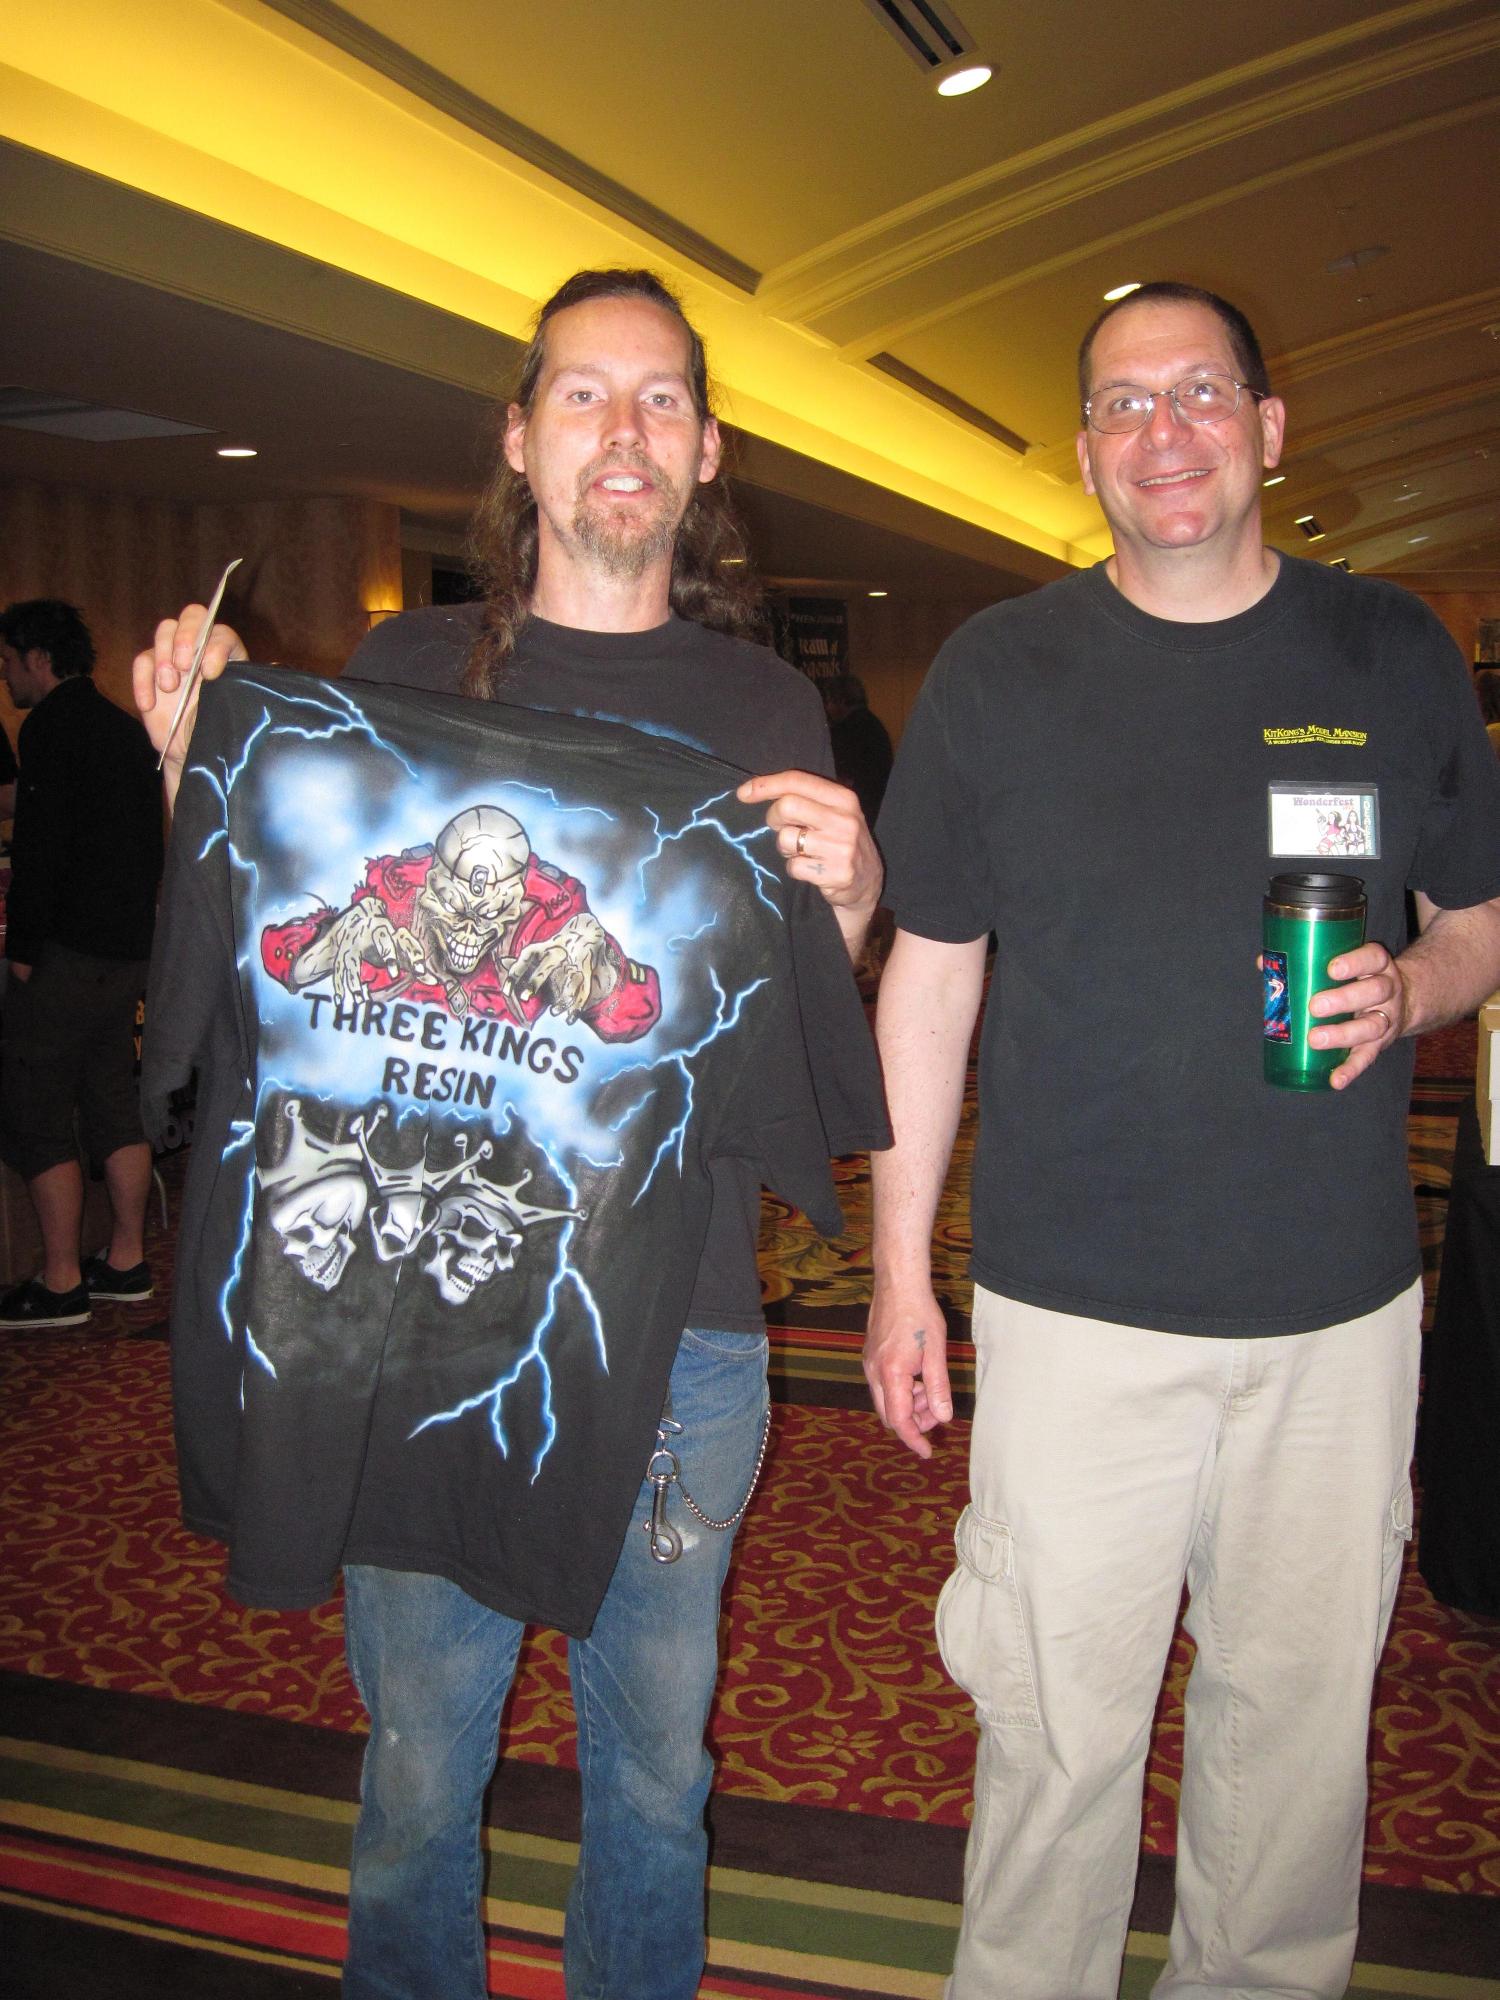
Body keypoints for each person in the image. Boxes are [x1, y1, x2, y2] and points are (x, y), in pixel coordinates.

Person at [134, 267, 883, 2000]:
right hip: (412, 1309)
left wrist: (851, 900)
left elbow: (783, 1025)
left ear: (706, 451)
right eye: (585, 394)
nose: (624, 430)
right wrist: (198, 762)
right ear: (521, 438)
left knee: (655, 1782)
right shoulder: (402, 669)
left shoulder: (766, 710)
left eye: (662, 398)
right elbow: (282, 946)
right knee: (416, 1774)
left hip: (678, 1323)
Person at [865, 281, 1500, 2000]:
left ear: (1269, 429)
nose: (1166, 432)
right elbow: (929, 981)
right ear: (1084, 451)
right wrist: (900, 1275)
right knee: (1052, 1734)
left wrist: (1416, 987)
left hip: (1337, 1316)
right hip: (1073, 1311)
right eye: (1125, 404)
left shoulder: (1391, 650)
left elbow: (1480, 920)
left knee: (1294, 1746)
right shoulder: (1000, 672)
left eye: (1202, 393)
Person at [0, 599, 163, 1328]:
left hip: (65, 949)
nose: (7, 677)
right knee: (111, 1100)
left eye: (9, 662)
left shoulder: (49, 728)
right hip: (127, 947)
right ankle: (126, 1259)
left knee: (36, 1109)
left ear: (39, 658)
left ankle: (61, 1277)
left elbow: (39, 851)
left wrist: (22, 949)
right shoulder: (127, 731)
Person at [821, 672, 893, 828]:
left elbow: (841, 778)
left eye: (829, 701)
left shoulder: (845, 731)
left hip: (855, 810)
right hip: (879, 809)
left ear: (840, 701)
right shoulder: (874, 725)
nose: (827, 708)